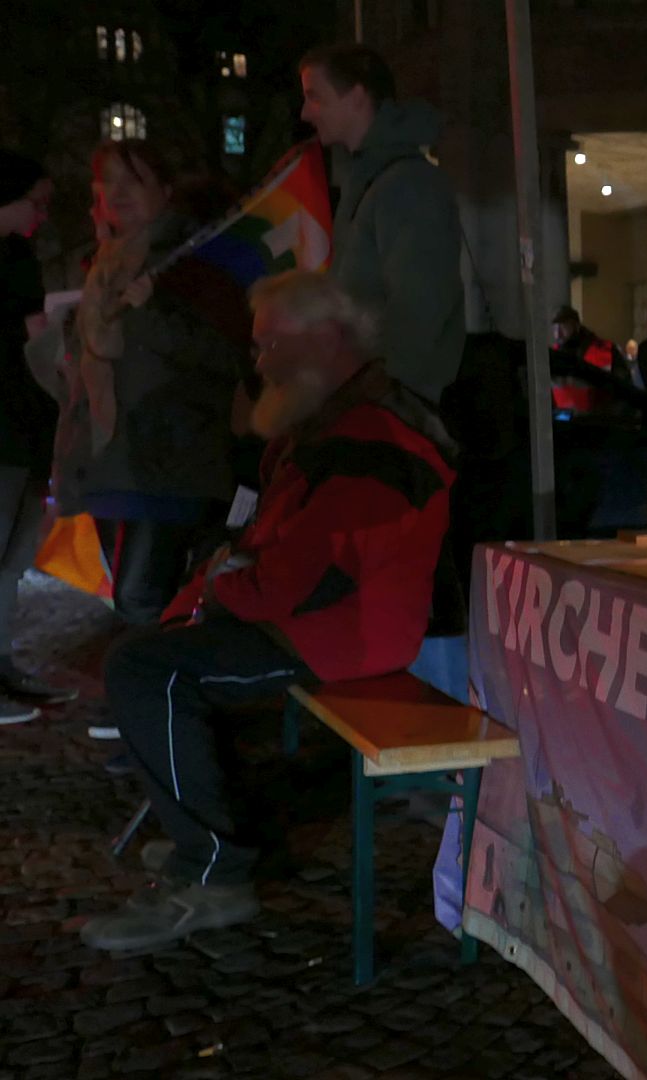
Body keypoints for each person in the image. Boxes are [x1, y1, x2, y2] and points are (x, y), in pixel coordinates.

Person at [79, 271, 455, 952]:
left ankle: (215, 872)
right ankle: (216, 837)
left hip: (337, 637)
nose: (259, 361)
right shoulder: (329, 423)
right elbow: (269, 547)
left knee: (147, 672)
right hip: (307, 622)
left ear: (325, 340)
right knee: (153, 658)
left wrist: (221, 593)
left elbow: (303, 580)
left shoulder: (367, 438)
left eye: (269, 343)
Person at [54, 141, 252, 631]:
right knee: (140, 598)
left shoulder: (197, 262)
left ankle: (151, 698)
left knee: (140, 597)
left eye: (133, 180)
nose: (117, 193)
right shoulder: (99, 263)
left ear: (165, 192)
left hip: (166, 460)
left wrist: (152, 311)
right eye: (106, 182)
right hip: (107, 459)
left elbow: (227, 356)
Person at [299, 43, 463, 404]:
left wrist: (379, 393)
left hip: (393, 415)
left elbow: (420, 308)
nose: (305, 113)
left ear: (357, 97)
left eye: (315, 97)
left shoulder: (408, 185)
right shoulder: (369, 181)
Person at [0, 150, 72, 724]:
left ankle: (3, 662)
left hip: (22, 424)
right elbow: (37, 339)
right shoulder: (16, 258)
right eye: (37, 202)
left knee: (11, 556)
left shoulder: (18, 255)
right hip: (13, 422)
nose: (42, 215)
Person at [549, 304, 621, 412]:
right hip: (562, 423)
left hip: (598, 422)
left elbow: (622, 390)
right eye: (555, 328)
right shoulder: (553, 354)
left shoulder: (603, 350)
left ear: (576, 326)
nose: (557, 334)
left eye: (563, 327)